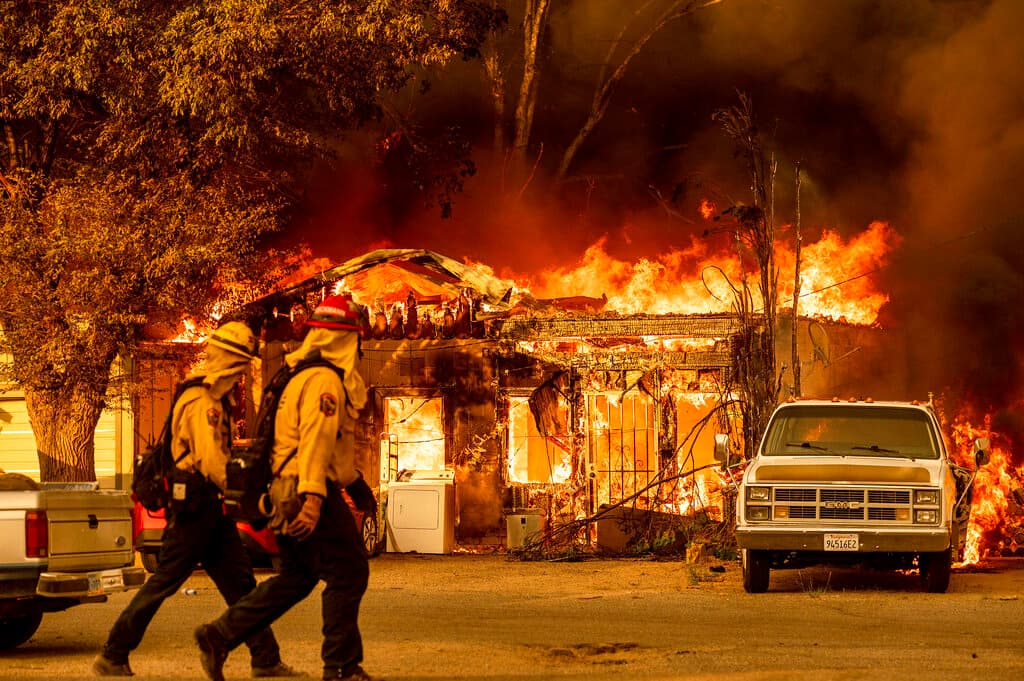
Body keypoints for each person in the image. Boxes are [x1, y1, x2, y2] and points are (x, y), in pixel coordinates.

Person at [93, 321, 297, 678]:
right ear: (228, 360)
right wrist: (247, 492)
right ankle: (113, 654)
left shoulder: (216, 397)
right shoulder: (203, 400)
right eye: (239, 362)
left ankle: (265, 659)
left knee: (241, 584)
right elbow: (211, 459)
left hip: (210, 510)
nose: (241, 371)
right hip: (193, 510)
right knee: (163, 583)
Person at [194, 294, 374, 681]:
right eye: (354, 339)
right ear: (343, 340)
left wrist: (355, 485)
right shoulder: (325, 380)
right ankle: (342, 666)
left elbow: (332, 450)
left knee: (298, 576)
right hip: (306, 491)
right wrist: (312, 501)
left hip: (283, 490)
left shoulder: (295, 373)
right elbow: (314, 443)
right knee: (349, 571)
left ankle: (219, 635)